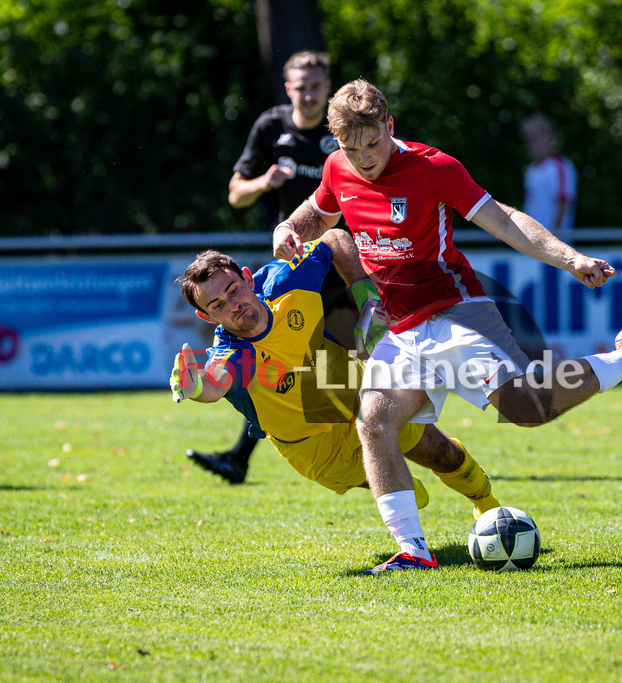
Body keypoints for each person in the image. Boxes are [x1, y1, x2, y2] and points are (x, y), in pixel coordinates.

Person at [273, 79, 622, 574]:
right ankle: (414, 551)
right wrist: (288, 229)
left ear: (389, 127)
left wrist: (570, 259)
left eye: (373, 143)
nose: (365, 158)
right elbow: (314, 214)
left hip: (454, 310)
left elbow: (506, 220)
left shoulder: (434, 167)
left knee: (528, 409)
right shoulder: (337, 168)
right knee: (374, 421)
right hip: (399, 328)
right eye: (353, 149)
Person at [170, 230, 502, 555]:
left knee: (441, 452)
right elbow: (216, 383)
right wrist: (194, 386)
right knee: (393, 481)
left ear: (247, 278)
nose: (234, 305)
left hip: (352, 392)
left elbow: (334, 238)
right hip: (315, 447)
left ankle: (491, 510)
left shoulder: (288, 280)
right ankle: (405, 513)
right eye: (218, 305)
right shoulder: (233, 352)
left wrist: (367, 301)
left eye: (233, 290)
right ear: (206, 316)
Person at [188, 50, 355, 484]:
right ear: (289, 89)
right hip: (291, 265)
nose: (311, 95)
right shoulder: (271, 127)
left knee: (342, 360)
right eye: (302, 87)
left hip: (340, 258)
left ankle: (385, 433)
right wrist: (264, 182)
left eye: (318, 86)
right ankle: (370, 441)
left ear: (328, 88)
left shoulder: (341, 130)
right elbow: (234, 194)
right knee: (282, 360)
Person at [519, 114, 577, 242]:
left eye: (536, 138)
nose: (532, 144)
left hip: (554, 247)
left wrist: (552, 241)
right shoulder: (531, 170)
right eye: (529, 139)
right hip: (532, 244)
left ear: (549, 137)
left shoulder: (559, 166)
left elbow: (563, 203)